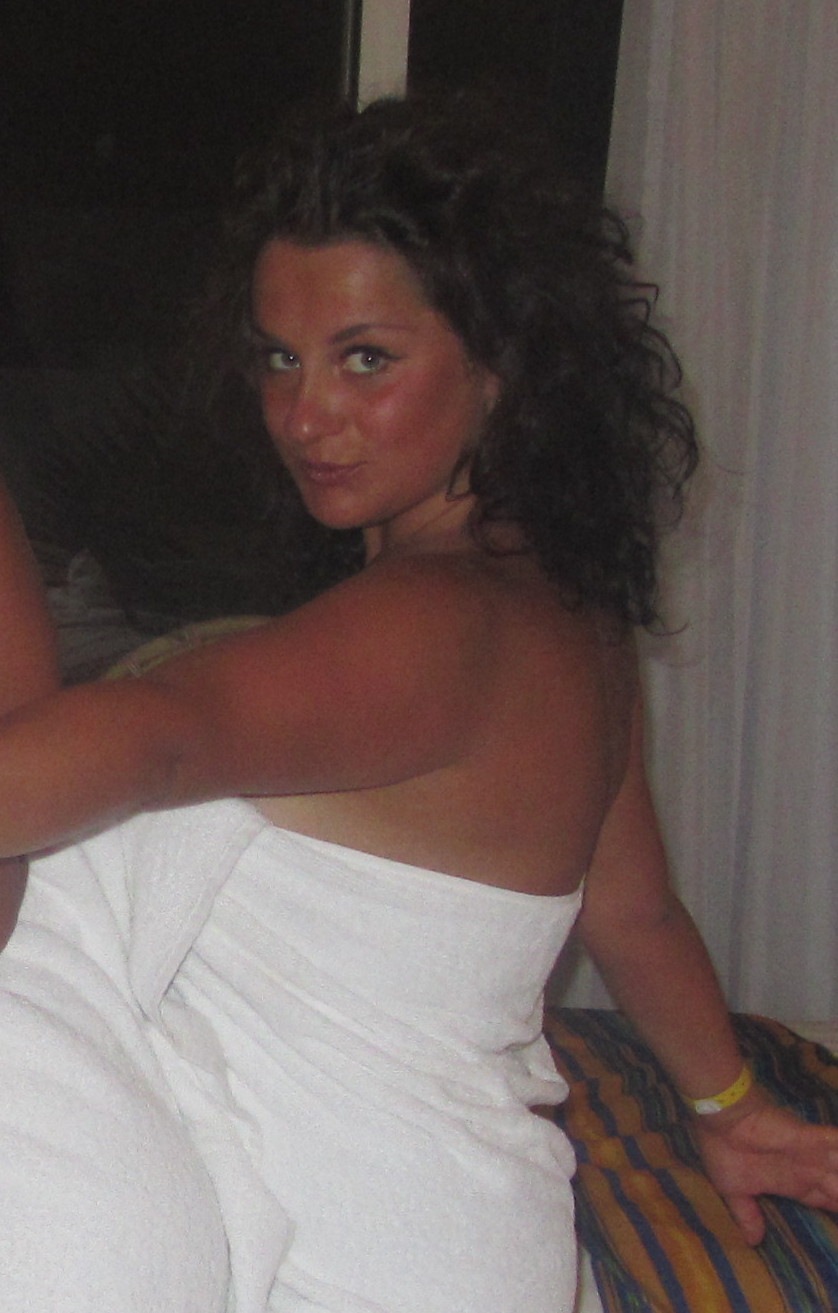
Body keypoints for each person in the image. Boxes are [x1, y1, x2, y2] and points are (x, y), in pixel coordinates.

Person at [0, 94, 835, 1313]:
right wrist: (729, 1105)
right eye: (279, 358)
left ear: (502, 365)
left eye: (365, 359)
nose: (306, 415)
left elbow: (161, 740)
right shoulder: (569, 616)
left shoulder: (434, 623)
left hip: (355, 1242)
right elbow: (636, 909)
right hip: (469, 1226)